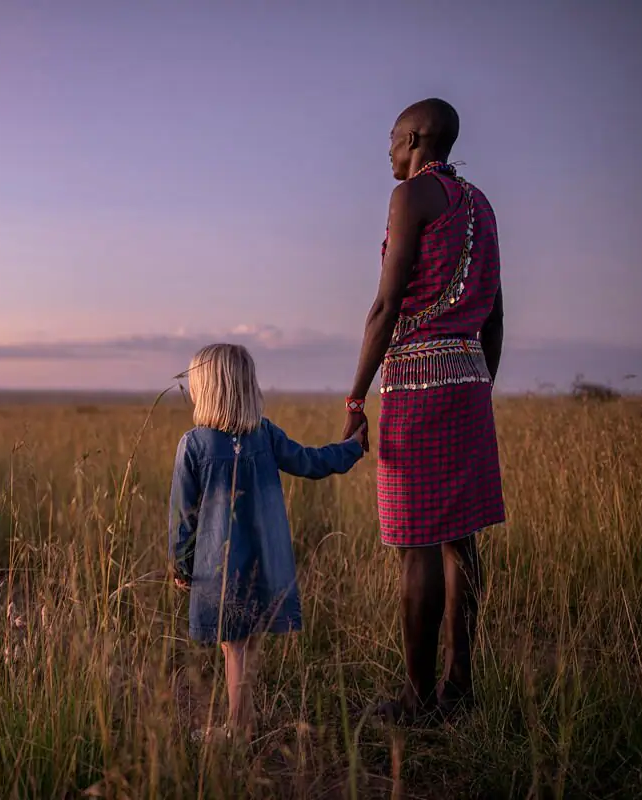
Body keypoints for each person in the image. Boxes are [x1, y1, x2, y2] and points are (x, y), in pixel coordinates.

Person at [341, 98, 506, 724]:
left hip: (418, 383)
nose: (386, 150)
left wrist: (357, 395)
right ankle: (458, 689)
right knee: (460, 539)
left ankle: (416, 700)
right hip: (468, 377)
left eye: (390, 138)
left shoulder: (412, 197)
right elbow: (494, 308)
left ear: (415, 137)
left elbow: (386, 305)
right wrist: (479, 379)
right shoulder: (481, 205)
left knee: (416, 543)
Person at [170, 343, 366, 740]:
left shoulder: (193, 444)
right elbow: (310, 462)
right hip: (266, 563)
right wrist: (352, 448)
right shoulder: (265, 435)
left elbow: (183, 516)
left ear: (206, 388)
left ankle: (238, 728)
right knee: (246, 643)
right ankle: (245, 718)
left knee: (234, 646)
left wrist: (182, 564)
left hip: (219, 568)